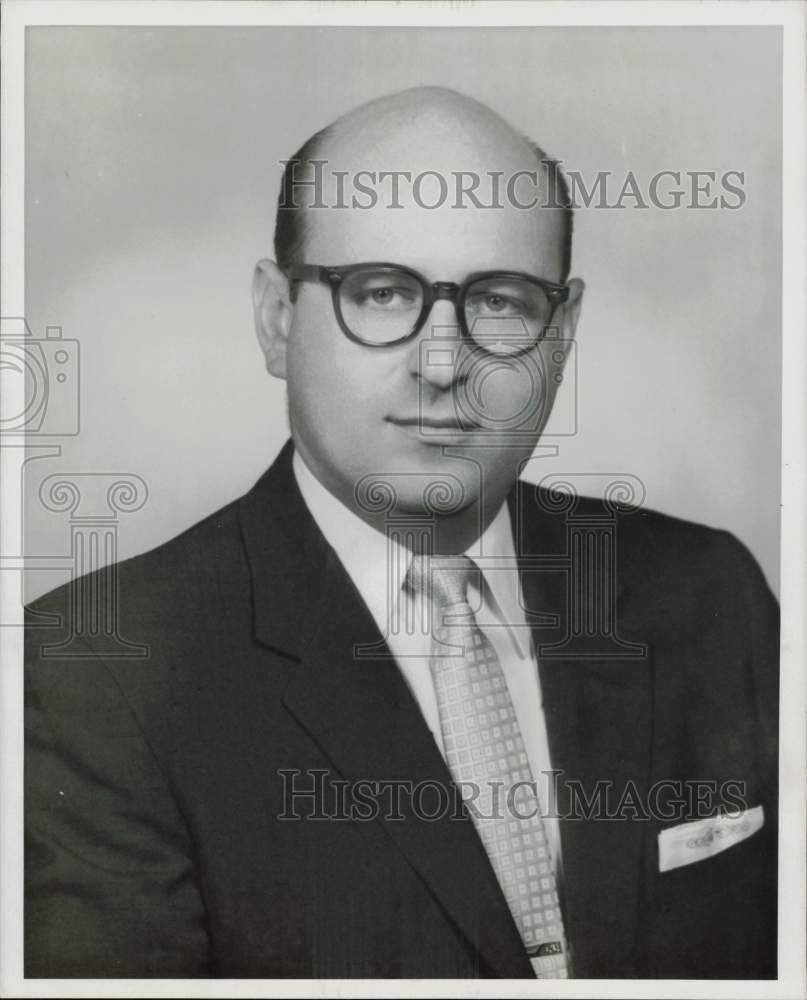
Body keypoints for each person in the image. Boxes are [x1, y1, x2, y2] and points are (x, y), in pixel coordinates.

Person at [25, 86, 778, 979]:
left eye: (500, 300)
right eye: (381, 293)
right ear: (276, 318)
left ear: (563, 330)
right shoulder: (101, 671)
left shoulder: (707, 590)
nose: (443, 362)